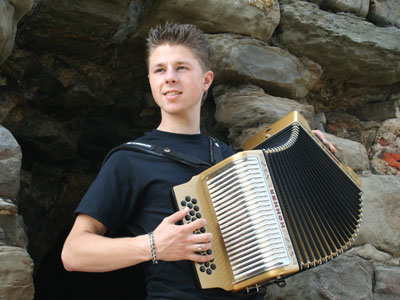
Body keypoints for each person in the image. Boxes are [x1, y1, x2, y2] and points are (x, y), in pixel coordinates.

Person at [61, 23, 336, 300]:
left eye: (181, 67)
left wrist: (309, 154)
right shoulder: (131, 159)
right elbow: (73, 252)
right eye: (159, 69)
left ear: (206, 80)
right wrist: (154, 245)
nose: (169, 77)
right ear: (151, 81)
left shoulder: (230, 159)